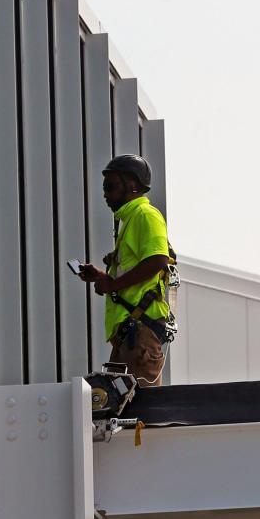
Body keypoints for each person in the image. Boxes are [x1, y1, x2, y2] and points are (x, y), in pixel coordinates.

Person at [78, 154, 175, 387]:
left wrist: (111, 285)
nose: (105, 194)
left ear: (132, 186)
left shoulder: (145, 215)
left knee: (144, 412)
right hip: (131, 335)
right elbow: (136, 273)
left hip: (139, 334)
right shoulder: (130, 220)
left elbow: (158, 260)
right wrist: (104, 277)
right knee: (123, 410)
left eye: (110, 186)